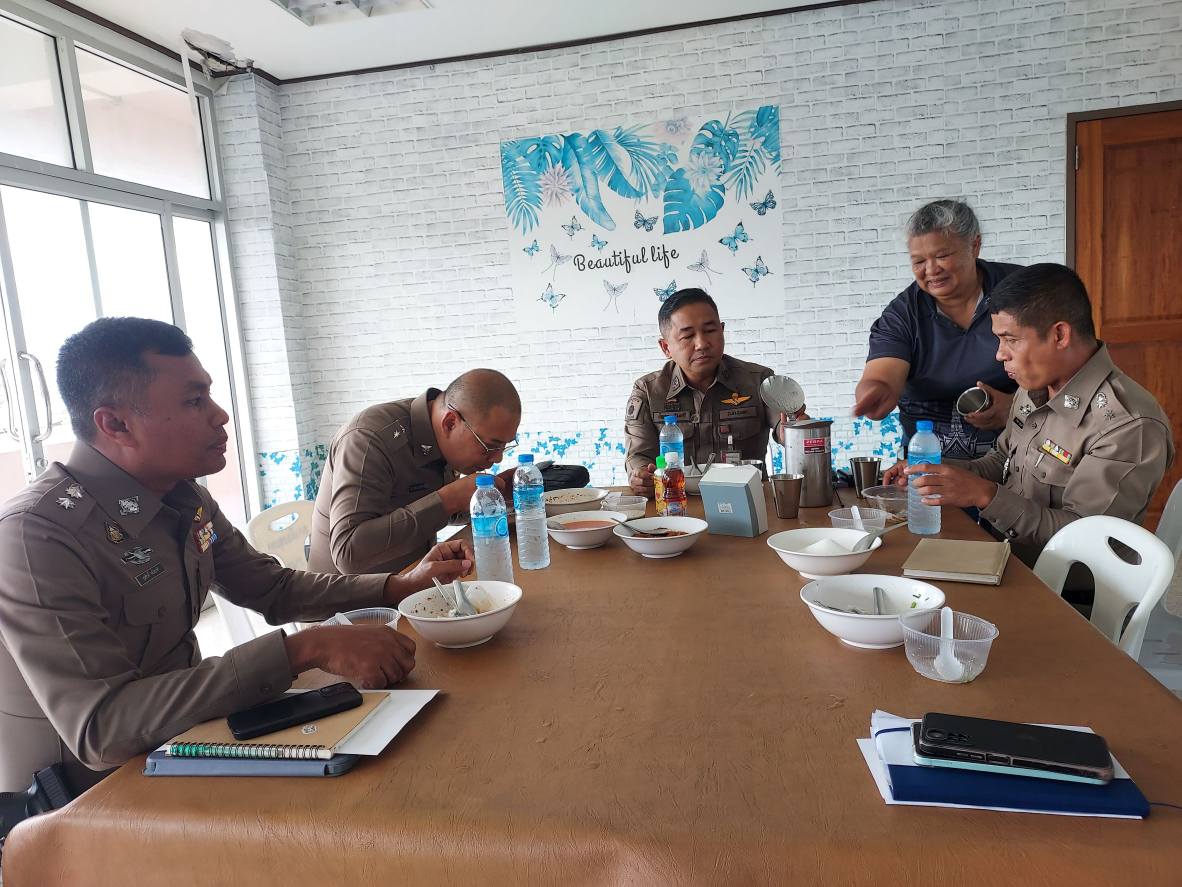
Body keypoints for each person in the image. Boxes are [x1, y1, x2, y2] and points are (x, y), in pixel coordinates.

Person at [0, 318, 473, 797]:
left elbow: (274, 588)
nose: (220, 415)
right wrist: (302, 650)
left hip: (186, 747)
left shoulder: (183, 497)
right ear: (116, 424)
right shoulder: (36, 535)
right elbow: (102, 729)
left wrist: (398, 585)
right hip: (89, 799)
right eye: (194, 401)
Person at [886, 264, 1174, 566]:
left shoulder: (1128, 425)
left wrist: (985, 496)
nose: (1000, 354)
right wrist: (936, 471)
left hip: (1063, 585)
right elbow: (1002, 460)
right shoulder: (1035, 386)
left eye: (1011, 340)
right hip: (1005, 555)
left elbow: (1085, 539)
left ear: (1059, 335)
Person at [853, 200, 1022, 462]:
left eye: (942, 256)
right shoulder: (903, 314)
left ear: (974, 245)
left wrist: (1017, 408)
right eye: (919, 261)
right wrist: (875, 393)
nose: (931, 270)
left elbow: (1061, 374)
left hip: (1017, 460)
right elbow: (881, 376)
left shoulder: (1021, 292)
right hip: (925, 465)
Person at [308, 370, 521, 575]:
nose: (498, 458)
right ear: (450, 423)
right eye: (490, 446)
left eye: (505, 446)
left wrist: (491, 499)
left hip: (414, 582)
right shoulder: (368, 440)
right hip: (352, 597)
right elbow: (348, 553)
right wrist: (449, 499)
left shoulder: (439, 434)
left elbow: (434, 510)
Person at [624, 288, 804, 497]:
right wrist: (641, 475)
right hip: (676, 503)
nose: (701, 344)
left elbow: (785, 425)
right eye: (687, 336)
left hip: (747, 502)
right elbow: (639, 455)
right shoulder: (648, 391)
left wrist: (793, 432)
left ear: (722, 330)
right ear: (666, 347)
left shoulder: (758, 380)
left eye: (710, 330)